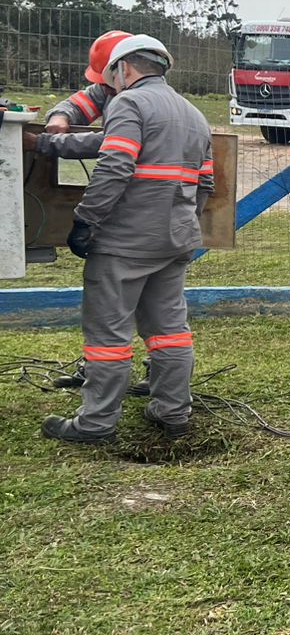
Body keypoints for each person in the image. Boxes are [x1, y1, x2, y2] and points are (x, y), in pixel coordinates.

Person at [30, 35, 214, 443]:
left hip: (125, 243)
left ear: (124, 68)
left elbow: (115, 162)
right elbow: (205, 182)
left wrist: (85, 221)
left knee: (108, 337)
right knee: (169, 329)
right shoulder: (194, 114)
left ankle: (95, 425)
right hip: (175, 239)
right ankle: (172, 412)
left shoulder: (129, 103)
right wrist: (49, 143)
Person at [41, 30, 131, 134]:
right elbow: (78, 105)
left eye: (109, 80)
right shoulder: (106, 89)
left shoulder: (141, 101)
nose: (106, 87)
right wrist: (60, 116)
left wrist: (41, 142)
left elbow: (108, 139)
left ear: (123, 70)